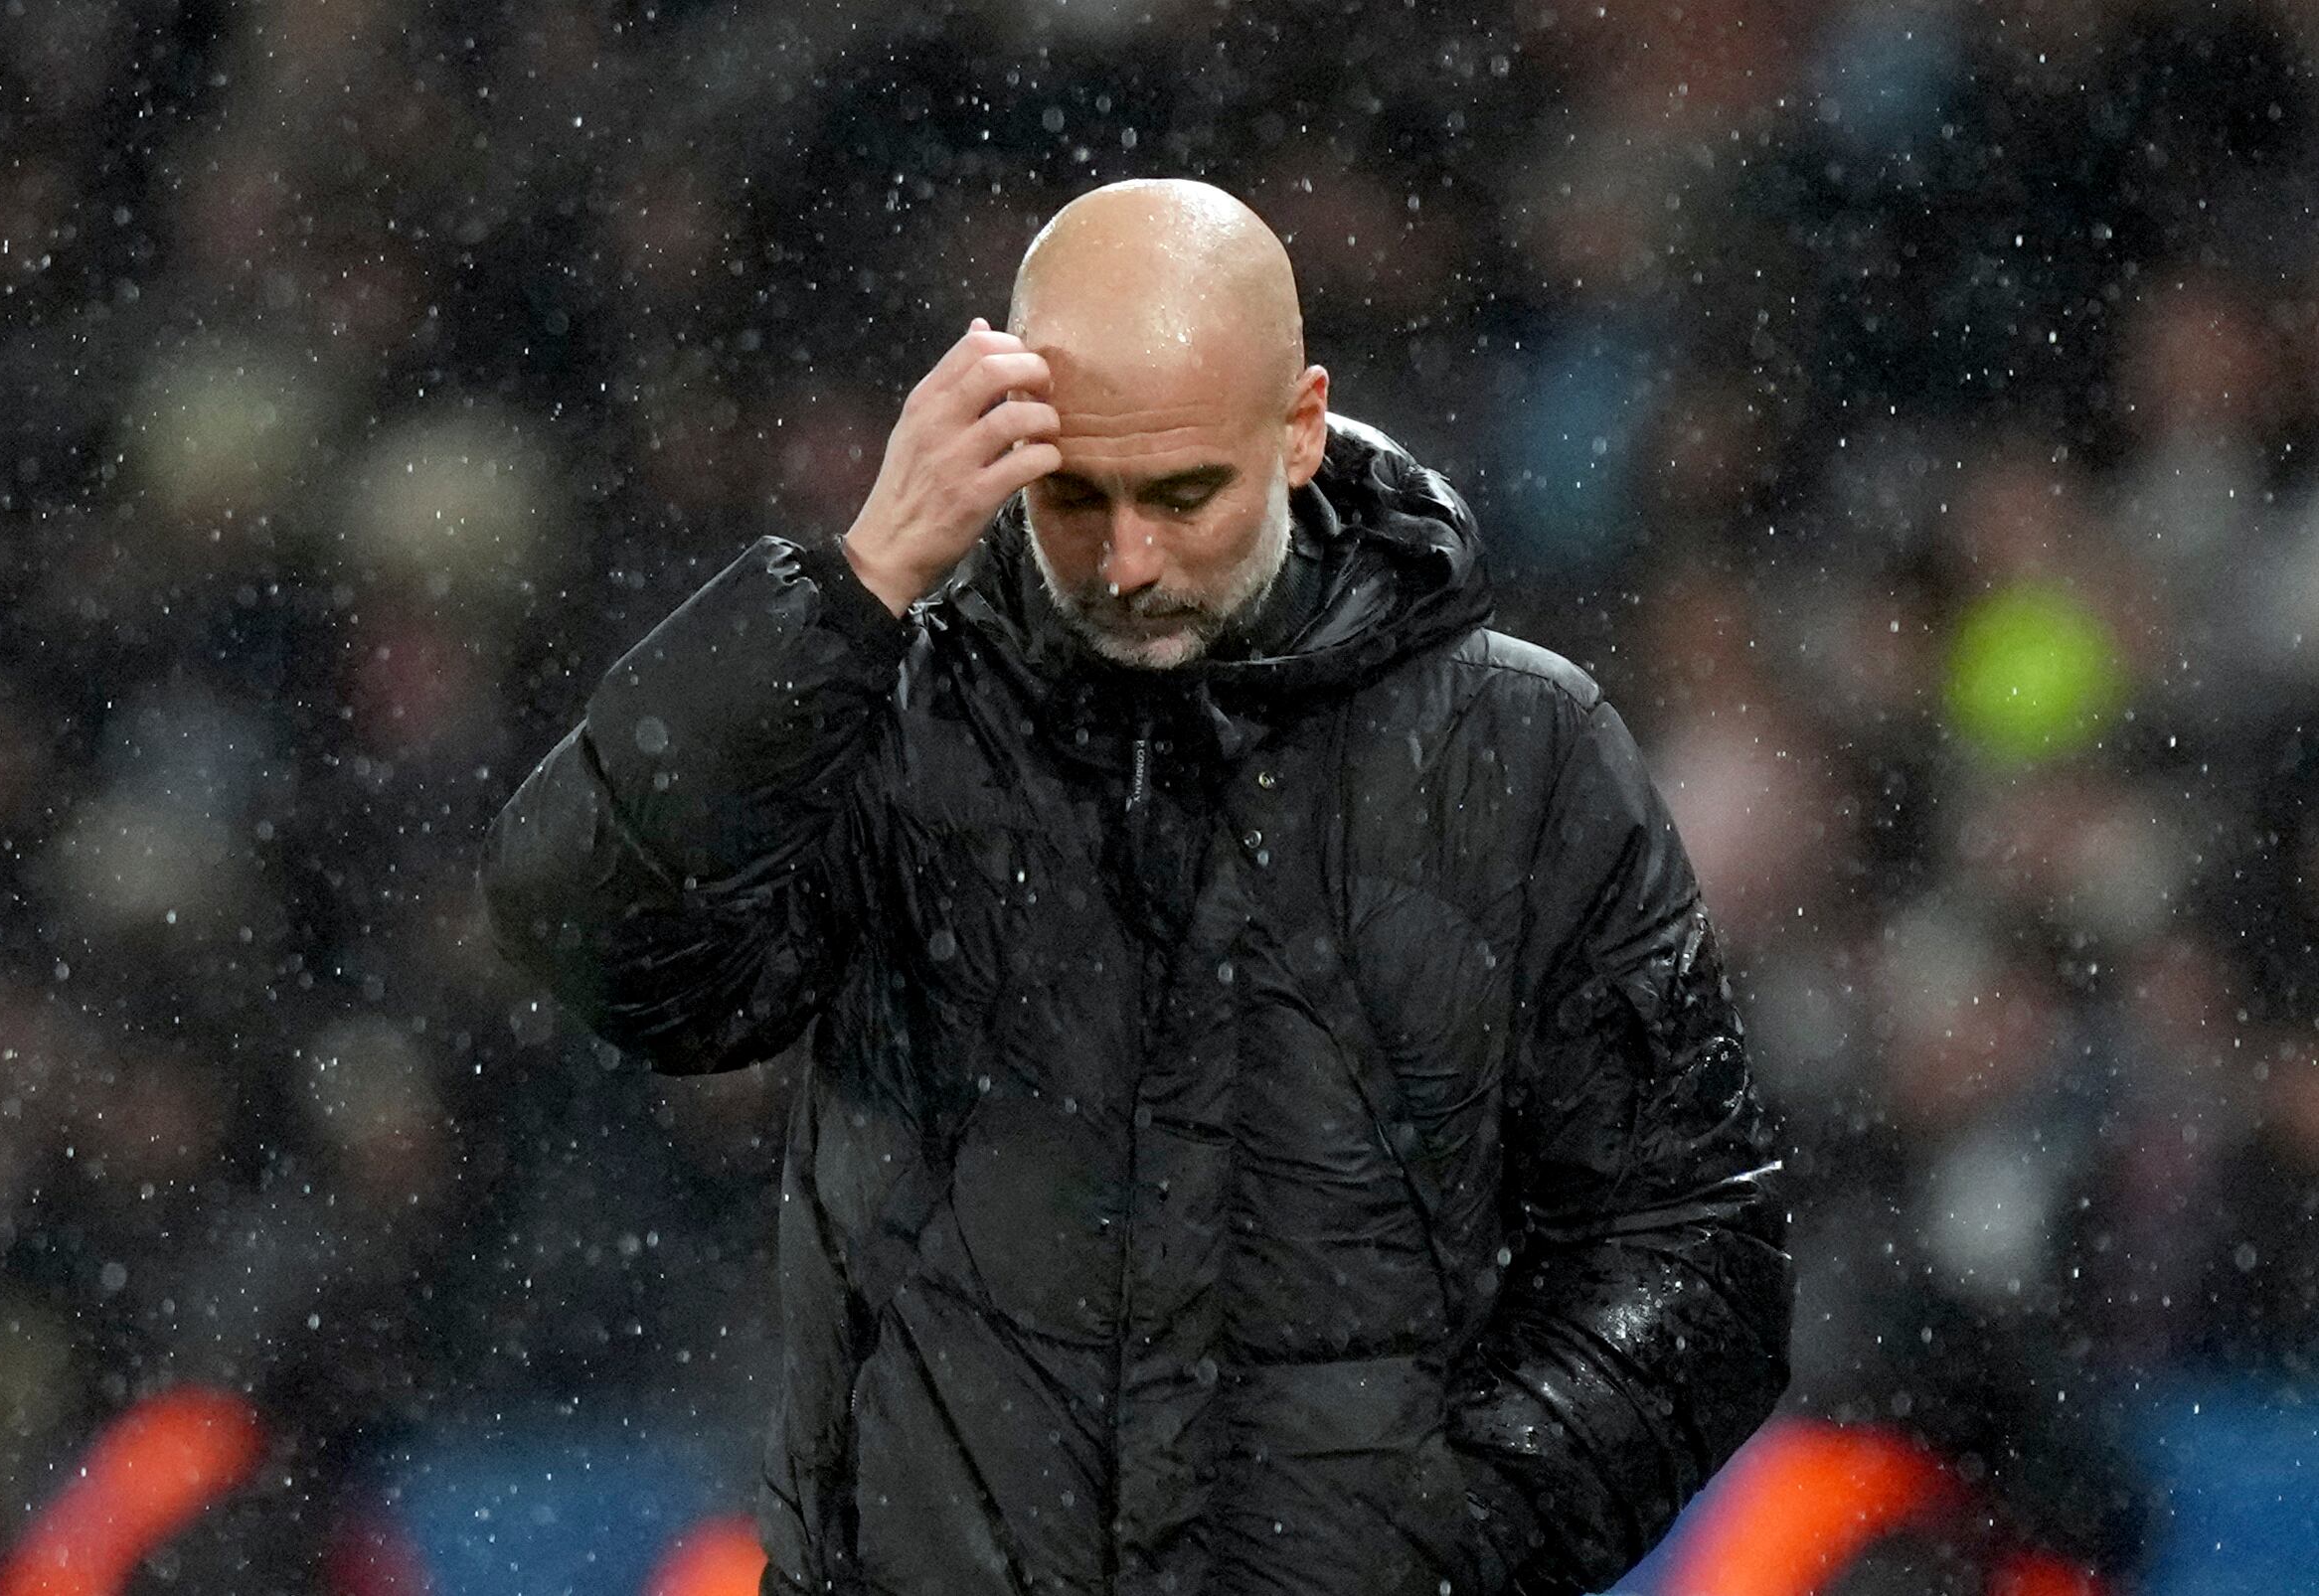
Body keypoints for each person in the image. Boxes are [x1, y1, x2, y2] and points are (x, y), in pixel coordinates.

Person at [478, 177, 1793, 1596]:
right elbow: (612, 952)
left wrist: (1439, 1545)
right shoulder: (893, 708)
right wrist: (850, 588)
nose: (1127, 560)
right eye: (1072, 496)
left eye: (1181, 494)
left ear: (1301, 427)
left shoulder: (1524, 754)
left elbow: (1694, 1247)